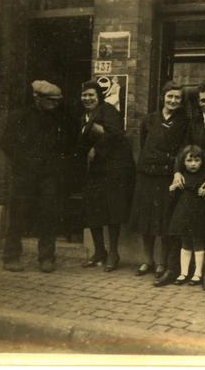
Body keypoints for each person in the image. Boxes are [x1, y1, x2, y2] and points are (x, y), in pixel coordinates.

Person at [0, 80, 75, 273]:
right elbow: (6, 143)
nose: (56, 104)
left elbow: (67, 144)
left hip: (49, 176)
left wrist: (58, 163)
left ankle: (47, 257)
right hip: (25, 175)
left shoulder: (59, 119)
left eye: (58, 101)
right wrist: (23, 162)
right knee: (18, 214)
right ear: (37, 98)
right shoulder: (19, 117)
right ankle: (11, 257)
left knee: (49, 214)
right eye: (51, 100)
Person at [128, 81, 189, 285]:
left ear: (181, 102)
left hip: (167, 175)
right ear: (163, 97)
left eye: (177, 98)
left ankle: (163, 263)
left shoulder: (183, 122)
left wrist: (175, 170)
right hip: (147, 174)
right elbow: (143, 144)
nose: (173, 100)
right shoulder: (149, 120)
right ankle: (148, 260)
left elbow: (182, 150)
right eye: (170, 96)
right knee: (146, 219)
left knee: (164, 219)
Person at [172, 80, 205, 291]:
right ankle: (183, 271)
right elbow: (183, 149)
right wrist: (177, 171)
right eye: (203, 101)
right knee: (189, 230)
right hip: (194, 183)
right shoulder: (193, 121)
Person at [77, 80, 136, 272]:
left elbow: (116, 134)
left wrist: (96, 148)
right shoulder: (84, 116)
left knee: (112, 210)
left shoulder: (107, 110)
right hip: (95, 171)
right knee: (94, 209)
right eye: (84, 95)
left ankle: (113, 253)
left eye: (91, 95)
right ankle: (99, 251)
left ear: (98, 96)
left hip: (113, 169)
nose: (87, 99)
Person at [167, 145, 205, 286]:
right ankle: (183, 273)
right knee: (185, 242)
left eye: (197, 160)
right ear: (183, 162)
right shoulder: (182, 176)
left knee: (198, 243)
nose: (193, 164)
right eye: (189, 161)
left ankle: (198, 273)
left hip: (199, 215)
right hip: (184, 214)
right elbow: (175, 196)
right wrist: (173, 189)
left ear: (202, 161)